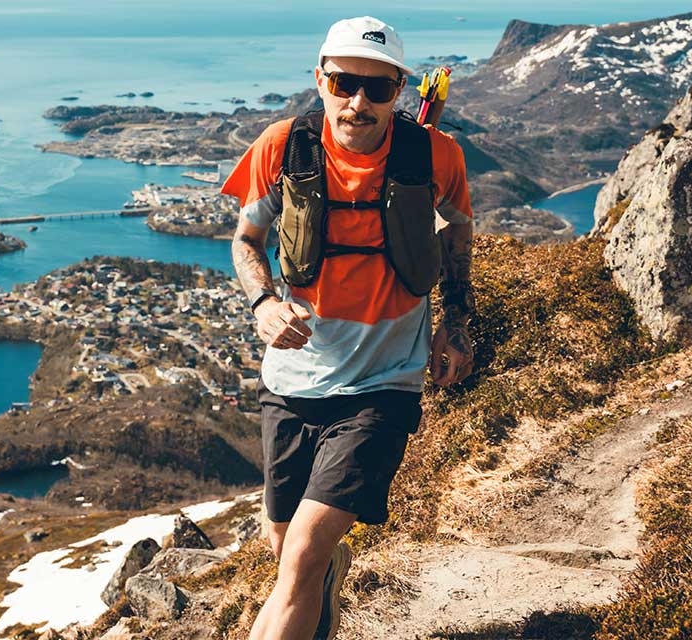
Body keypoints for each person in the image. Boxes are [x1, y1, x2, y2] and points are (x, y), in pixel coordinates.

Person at [222, 15, 477, 640]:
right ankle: (326, 591)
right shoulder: (281, 147)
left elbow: (459, 231)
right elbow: (246, 240)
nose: (358, 101)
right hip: (292, 381)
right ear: (320, 80)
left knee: (301, 552)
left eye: (378, 89)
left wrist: (457, 320)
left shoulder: (435, 154)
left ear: (399, 91)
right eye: (343, 83)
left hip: (385, 385)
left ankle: (316, 578)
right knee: (285, 545)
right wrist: (262, 305)